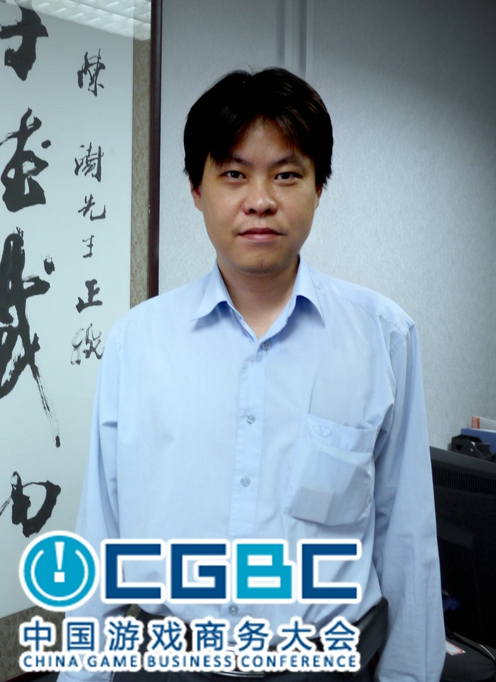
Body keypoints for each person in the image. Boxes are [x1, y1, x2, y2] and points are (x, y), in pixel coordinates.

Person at [58, 68, 445, 681]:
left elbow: (407, 539)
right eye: (234, 174)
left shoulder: (383, 336)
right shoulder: (138, 342)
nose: (260, 199)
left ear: (319, 188)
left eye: (286, 174)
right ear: (196, 189)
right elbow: (100, 534)